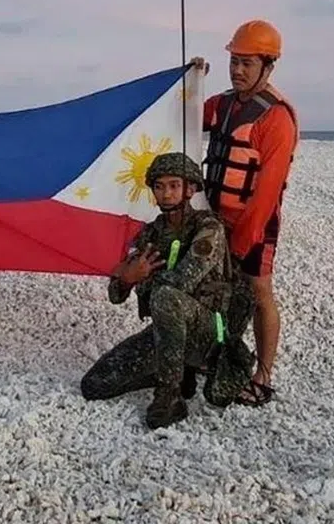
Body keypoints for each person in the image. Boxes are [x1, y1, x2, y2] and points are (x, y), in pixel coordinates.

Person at [80, 152, 256, 429]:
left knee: (165, 297)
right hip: (167, 333)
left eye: (174, 185)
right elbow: (116, 295)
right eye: (159, 187)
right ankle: (174, 370)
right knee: (95, 384)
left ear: (190, 189)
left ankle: (170, 398)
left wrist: (139, 276)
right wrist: (127, 279)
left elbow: (183, 281)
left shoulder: (208, 228)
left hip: (208, 334)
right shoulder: (150, 234)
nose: (166, 194)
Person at [200, 19, 299, 407]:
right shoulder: (222, 105)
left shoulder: (276, 119)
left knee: (259, 292)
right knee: (212, 290)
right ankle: (212, 355)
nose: (238, 70)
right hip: (214, 216)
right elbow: (187, 113)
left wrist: (241, 243)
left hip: (253, 222)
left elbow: (266, 192)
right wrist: (192, 80)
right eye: (234, 61)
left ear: (268, 65)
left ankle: (263, 376)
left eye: (248, 63)